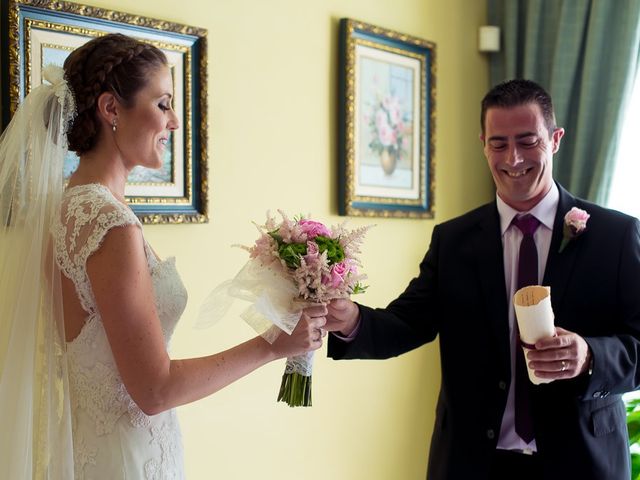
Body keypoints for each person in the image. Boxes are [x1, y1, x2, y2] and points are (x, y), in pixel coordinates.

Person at [0, 33, 327, 479]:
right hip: (128, 461)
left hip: (95, 451)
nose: (174, 121)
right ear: (111, 109)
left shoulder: (66, 207)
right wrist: (273, 345)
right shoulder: (108, 223)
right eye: (163, 103)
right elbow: (154, 389)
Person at [325, 79, 640, 480]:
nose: (513, 158)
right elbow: (407, 323)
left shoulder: (615, 235)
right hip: (472, 464)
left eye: (528, 141)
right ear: (483, 144)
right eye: (499, 143)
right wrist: (350, 318)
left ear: (556, 139)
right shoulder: (452, 240)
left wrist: (591, 356)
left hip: (583, 463)